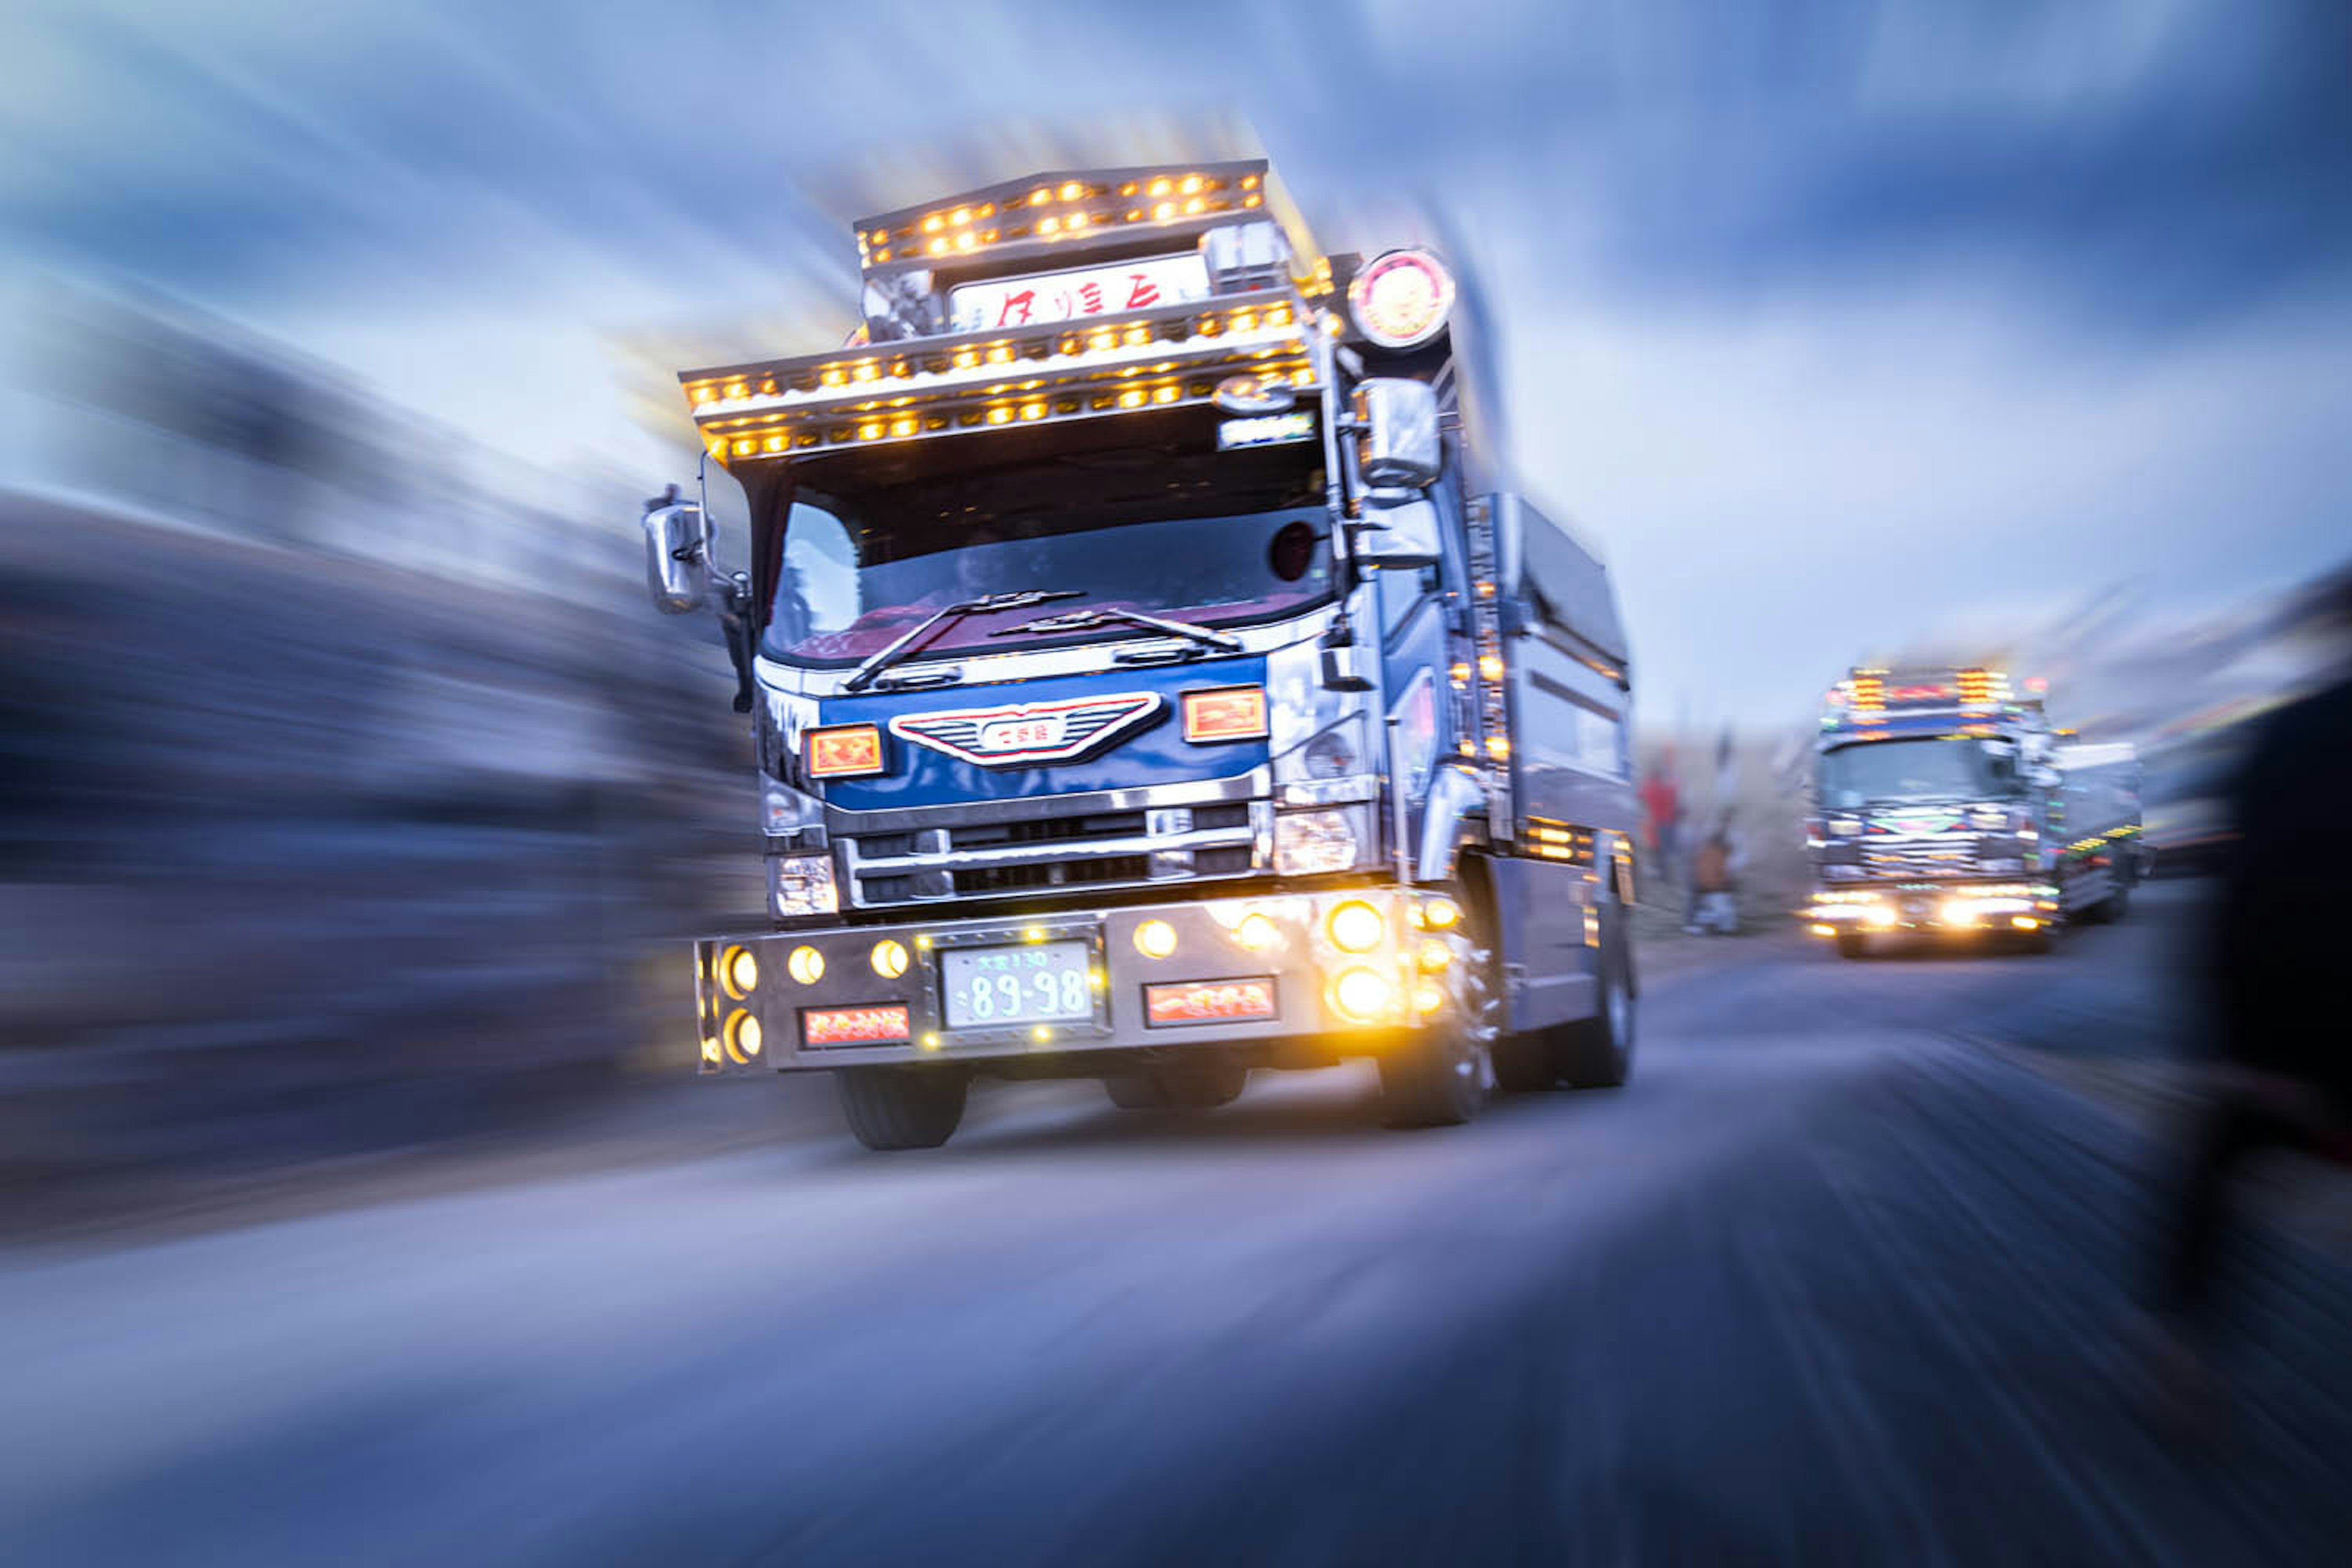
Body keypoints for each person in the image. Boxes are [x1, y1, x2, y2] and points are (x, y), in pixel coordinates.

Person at [2144, 564, 2352, 1424]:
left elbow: (2248, 897)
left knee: (2210, 1169)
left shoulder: (2293, 737)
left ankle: (2180, 1354)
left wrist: (2236, 1048)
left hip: (2305, 1036)